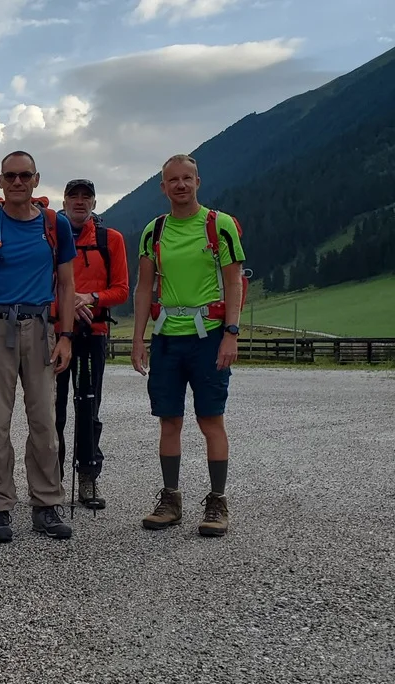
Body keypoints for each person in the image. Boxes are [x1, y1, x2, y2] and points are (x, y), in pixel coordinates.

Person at [0, 150, 76, 543]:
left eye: (24, 175)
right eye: (10, 176)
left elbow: (66, 284)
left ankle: (46, 504)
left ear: (36, 179)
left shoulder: (54, 225)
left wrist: (66, 335)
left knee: (44, 420)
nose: (17, 182)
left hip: (42, 326)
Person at [131, 154, 245, 538]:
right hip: (167, 338)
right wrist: (138, 340)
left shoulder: (219, 225)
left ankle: (217, 501)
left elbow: (234, 282)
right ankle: (171, 499)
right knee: (169, 420)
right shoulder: (155, 230)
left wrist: (231, 332)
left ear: (198, 181)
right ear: (163, 188)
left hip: (209, 337)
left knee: (211, 420)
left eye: (187, 178)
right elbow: (144, 287)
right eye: (173, 180)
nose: (180, 185)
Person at [55, 179, 129, 509]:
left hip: (93, 333)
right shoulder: (49, 235)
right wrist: (67, 304)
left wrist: (92, 298)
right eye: (74, 196)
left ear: (95, 202)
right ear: (65, 200)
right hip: (54, 333)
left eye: (86, 197)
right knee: (51, 410)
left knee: (88, 408)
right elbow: (38, 287)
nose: (80, 202)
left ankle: (87, 477)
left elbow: (122, 289)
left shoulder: (109, 239)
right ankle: (51, 481)